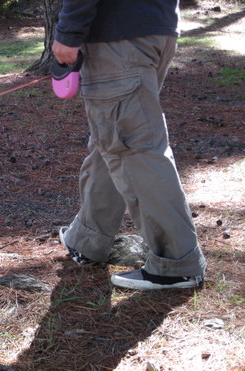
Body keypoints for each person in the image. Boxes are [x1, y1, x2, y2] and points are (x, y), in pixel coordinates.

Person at [52, 0, 207, 290]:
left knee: (134, 149)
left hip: (118, 37)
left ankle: (177, 263)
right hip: (154, 28)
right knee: (112, 141)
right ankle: (87, 239)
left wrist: (68, 32)